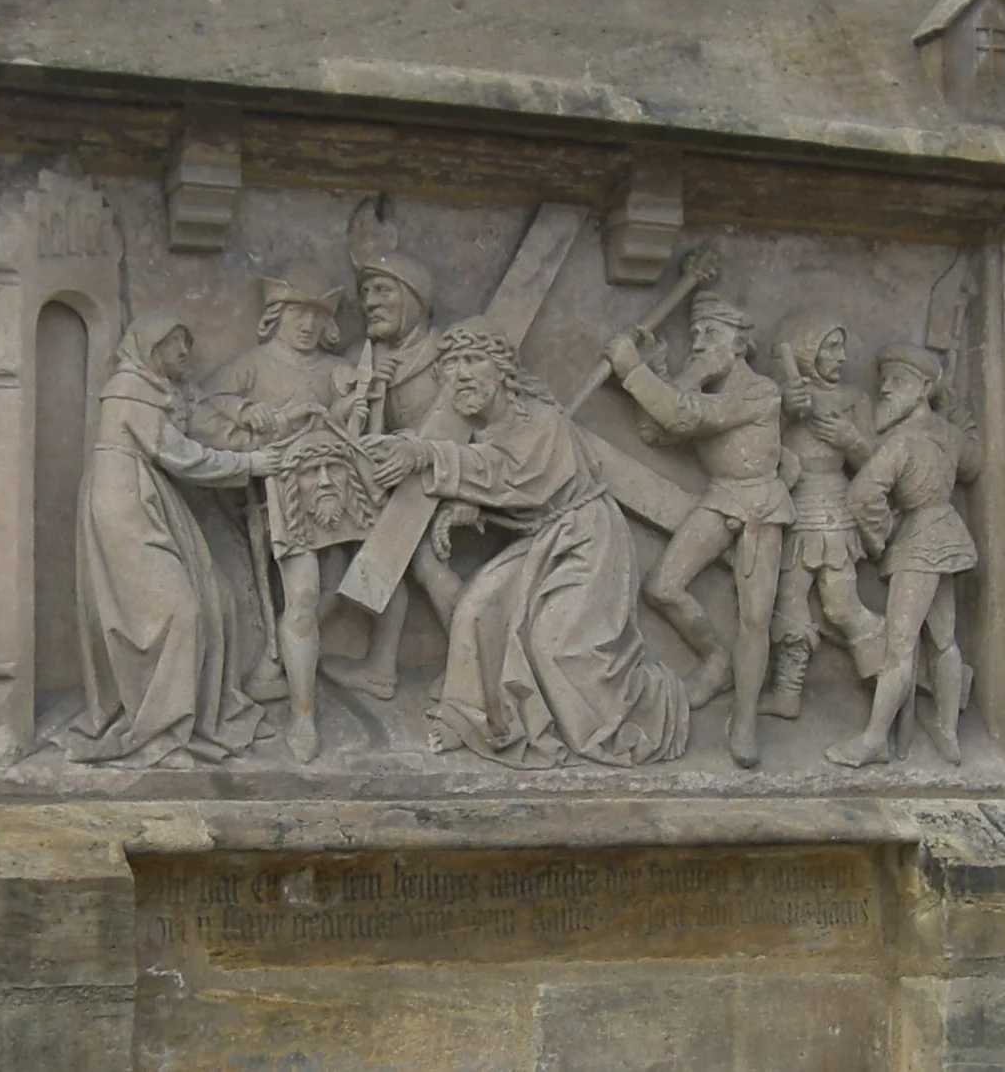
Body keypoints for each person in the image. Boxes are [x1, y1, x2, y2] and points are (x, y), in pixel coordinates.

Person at [367, 319, 689, 769]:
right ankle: (472, 719)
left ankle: (658, 703)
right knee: (477, 608)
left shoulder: (542, 419)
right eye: (452, 363)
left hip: (586, 542)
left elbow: (520, 479)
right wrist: (470, 508)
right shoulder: (486, 429)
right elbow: (511, 485)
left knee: (557, 647)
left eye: (473, 361)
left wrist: (427, 455)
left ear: (501, 371)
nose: (461, 373)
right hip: (542, 539)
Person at [66, 313, 276, 769]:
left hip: (151, 497)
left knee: (216, 596)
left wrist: (260, 426)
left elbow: (203, 423)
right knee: (179, 611)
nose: (185, 353)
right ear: (150, 347)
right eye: (175, 344)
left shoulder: (163, 388)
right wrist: (253, 464)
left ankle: (207, 715)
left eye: (187, 343)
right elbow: (182, 455)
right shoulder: (129, 388)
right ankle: (160, 735)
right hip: (124, 503)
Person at [603, 290, 791, 768]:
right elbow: (656, 431)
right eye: (697, 334)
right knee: (662, 587)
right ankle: (716, 661)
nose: (702, 342)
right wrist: (665, 372)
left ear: (740, 342)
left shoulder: (760, 391)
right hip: (721, 496)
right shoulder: (704, 383)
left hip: (760, 505)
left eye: (713, 333)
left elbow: (685, 415)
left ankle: (745, 718)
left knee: (755, 617)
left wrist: (633, 371)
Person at [192, 262, 357, 763]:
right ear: (275, 316)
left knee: (346, 586)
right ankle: (303, 716)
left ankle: (278, 658)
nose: (306, 325)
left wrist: (359, 397)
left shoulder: (334, 370)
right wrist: (247, 416)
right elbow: (201, 413)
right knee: (304, 594)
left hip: (344, 497)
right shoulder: (252, 365)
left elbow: (363, 424)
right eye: (296, 313)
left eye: (316, 314)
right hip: (282, 499)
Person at [827, 343, 981, 769]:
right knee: (944, 640)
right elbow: (973, 461)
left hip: (918, 541)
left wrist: (880, 538)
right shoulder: (948, 435)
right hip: (949, 535)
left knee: (900, 647)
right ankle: (948, 731)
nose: (886, 391)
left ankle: (875, 739)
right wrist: (957, 414)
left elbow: (862, 495)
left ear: (923, 389)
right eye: (884, 383)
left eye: (898, 382)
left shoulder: (901, 442)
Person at [319, 249, 463, 700]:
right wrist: (365, 388)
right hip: (380, 483)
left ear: (414, 298)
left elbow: (474, 428)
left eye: (383, 290)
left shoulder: (447, 355)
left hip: (444, 478)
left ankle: (478, 663)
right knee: (379, 555)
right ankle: (381, 667)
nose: (370, 302)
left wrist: (420, 455)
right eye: (364, 293)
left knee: (420, 560)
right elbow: (338, 425)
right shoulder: (361, 357)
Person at [765, 320, 884, 719]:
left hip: (833, 506)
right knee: (788, 599)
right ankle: (787, 692)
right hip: (794, 506)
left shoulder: (854, 400)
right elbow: (761, 450)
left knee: (840, 606)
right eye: (830, 347)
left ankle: (888, 672)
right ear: (807, 350)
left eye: (841, 347)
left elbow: (877, 465)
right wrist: (784, 413)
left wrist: (850, 438)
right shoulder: (790, 395)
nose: (841, 357)